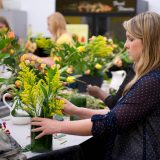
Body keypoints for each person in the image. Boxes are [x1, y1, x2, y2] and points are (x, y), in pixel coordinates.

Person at [30, 11, 160, 160]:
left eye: (131, 39)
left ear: (149, 41)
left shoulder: (152, 81)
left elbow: (110, 122)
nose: (125, 45)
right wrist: (75, 110)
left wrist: (57, 126)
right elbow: (118, 114)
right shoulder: (147, 77)